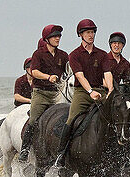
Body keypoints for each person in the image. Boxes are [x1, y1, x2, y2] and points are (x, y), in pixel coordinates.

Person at [56, 19, 107, 161]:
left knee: (116, 115)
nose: (91, 35)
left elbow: (107, 75)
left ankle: (122, 155)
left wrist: (109, 90)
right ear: (81, 35)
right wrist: (90, 91)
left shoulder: (102, 54)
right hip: (83, 93)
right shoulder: (74, 55)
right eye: (87, 32)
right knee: (71, 119)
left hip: (100, 91)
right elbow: (79, 75)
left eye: (92, 32)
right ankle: (61, 153)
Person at [19, 24, 68, 162]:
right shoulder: (38, 54)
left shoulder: (63, 55)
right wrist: (48, 77)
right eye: (54, 36)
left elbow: (70, 70)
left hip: (57, 93)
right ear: (47, 39)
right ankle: (25, 149)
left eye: (59, 36)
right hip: (41, 93)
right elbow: (34, 72)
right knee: (34, 119)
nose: (58, 38)